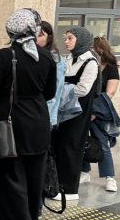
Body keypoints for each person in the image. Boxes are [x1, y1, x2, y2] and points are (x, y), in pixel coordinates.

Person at [0, 9, 56, 220]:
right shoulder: (46, 57)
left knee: (10, 178)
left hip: (11, 126)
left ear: (10, 31)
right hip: (39, 125)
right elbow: (50, 93)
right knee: (34, 180)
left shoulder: (5, 55)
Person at [49, 27, 99, 203]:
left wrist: (60, 91)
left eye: (70, 38)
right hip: (64, 110)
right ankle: (58, 185)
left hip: (78, 113)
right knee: (61, 146)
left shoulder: (90, 62)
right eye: (66, 38)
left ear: (81, 40)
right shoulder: (68, 58)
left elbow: (83, 90)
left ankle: (70, 189)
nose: (66, 41)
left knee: (72, 147)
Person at [80, 36, 119, 192]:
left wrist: (94, 111)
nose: (89, 51)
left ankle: (110, 177)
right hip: (84, 109)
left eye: (92, 48)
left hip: (100, 111)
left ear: (100, 49)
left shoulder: (111, 67)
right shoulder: (90, 64)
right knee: (82, 140)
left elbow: (110, 92)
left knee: (102, 143)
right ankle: (85, 171)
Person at [36, 21, 66, 127]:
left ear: (49, 38)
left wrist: (46, 117)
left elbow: (55, 93)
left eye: (40, 35)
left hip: (45, 115)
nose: (35, 38)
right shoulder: (34, 56)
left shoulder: (55, 60)